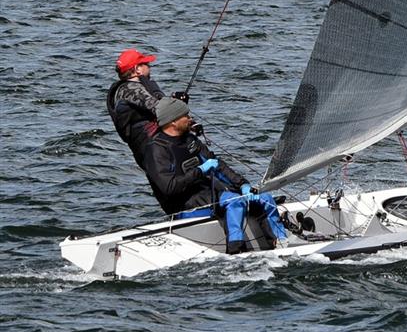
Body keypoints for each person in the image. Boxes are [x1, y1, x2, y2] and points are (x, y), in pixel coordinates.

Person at [127, 96, 287, 255]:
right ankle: (236, 252)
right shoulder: (156, 150)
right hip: (185, 205)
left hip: (210, 194)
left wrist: (243, 185)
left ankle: (281, 243)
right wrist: (200, 171)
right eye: (186, 116)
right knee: (235, 202)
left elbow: (217, 165)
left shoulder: (189, 140)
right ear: (173, 121)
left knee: (264, 198)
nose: (190, 119)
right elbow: (169, 188)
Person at [107, 48, 167, 155]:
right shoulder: (132, 90)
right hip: (152, 147)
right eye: (146, 64)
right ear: (137, 69)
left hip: (146, 145)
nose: (149, 67)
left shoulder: (124, 88)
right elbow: (161, 109)